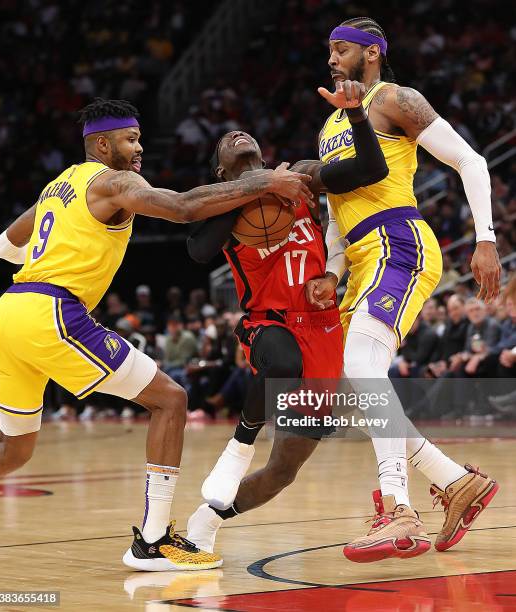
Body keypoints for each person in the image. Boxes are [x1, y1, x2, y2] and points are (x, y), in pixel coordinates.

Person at [0, 97, 314, 572]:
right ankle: (154, 540)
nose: (139, 148)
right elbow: (182, 208)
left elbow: (3, 247)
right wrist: (264, 180)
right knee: (171, 399)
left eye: (139, 138)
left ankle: (156, 539)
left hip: (7, 314)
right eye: (131, 139)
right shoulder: (116, 181)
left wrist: (52, 246)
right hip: (52, 312)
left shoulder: (59, 187)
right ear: (102, 144)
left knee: (13, 450)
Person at [305, 18, 501, 562]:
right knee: (360, 381)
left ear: (371, 54)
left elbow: (472, 161)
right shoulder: (329, 126)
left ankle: (399, 509)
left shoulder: (395, 98)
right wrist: (331, 270)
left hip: (399, 241)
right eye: (328, 50)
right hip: (362, 255)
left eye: (340, 49)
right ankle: (455, 480)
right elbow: (335, 214)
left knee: (365, 369)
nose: (330, 58)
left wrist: (486, 240)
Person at [184, 81, 389, 553]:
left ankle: (205, 522)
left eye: (243, 132)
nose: (237, 134)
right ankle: (238, 448)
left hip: (322, 329)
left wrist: (357, 115)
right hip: (269, 321)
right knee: (280, 365)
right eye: (226, 140)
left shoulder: (299, 176)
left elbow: (371, 168)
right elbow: (198, 251)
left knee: (283, 473)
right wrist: (244, 190)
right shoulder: (224, 204)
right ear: (221, 169)